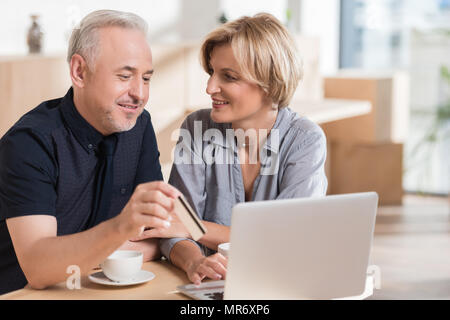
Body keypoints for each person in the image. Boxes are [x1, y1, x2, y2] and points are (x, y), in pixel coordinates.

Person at [134, 13, 328, 285]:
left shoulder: (305, 140)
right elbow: (175, 229)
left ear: (270, 85)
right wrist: (196, 262)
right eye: (212, 72)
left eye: (229, 76)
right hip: (213, 286)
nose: (210, 87)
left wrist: (197, 228)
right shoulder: (196, 127)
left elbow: (287, 238)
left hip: (282, 283)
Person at [0, 10, 180, 295]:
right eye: (124, 76)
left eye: (146, 78)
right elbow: (38, 267)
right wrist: (122, 230)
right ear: (79, 72)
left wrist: (89, 249)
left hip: (97, 288)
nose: (140, 94)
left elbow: (157, 236)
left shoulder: (138, 125)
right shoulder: (30, 142)